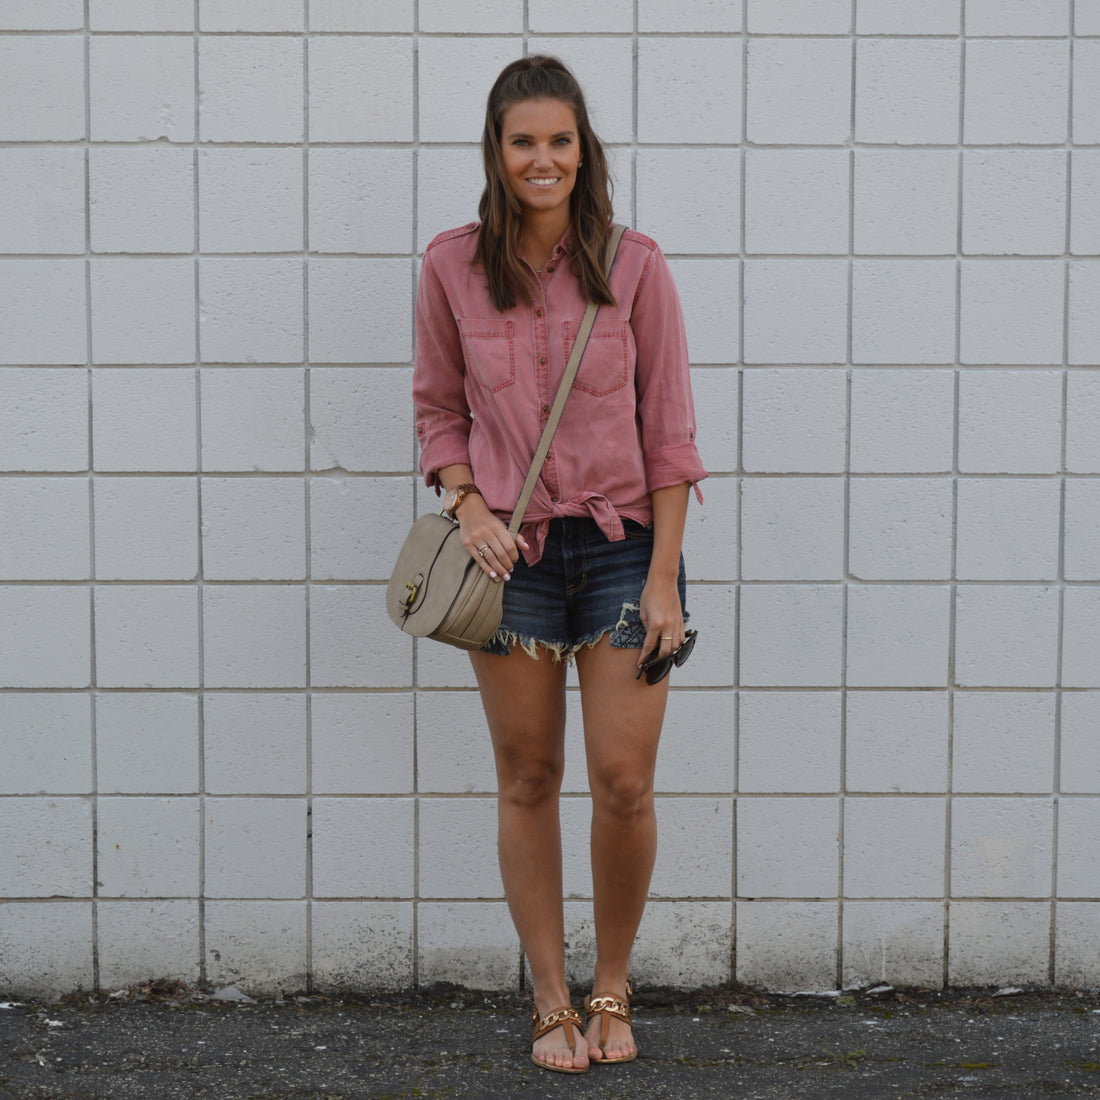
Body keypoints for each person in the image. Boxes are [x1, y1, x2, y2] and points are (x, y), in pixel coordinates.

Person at [412, 55, 706, 1074]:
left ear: (585, 150)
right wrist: (467, 506)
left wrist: (664, 578)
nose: (543, 159)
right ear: (496, 152)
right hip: (511, 559)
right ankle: (548, 997)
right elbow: (437, 410)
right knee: (528, 775)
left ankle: (611, 986)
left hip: (624, 550)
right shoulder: (450, 266)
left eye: (560, 140)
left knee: (623, 781)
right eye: (523, 141)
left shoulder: (635, 266)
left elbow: (670, 434)